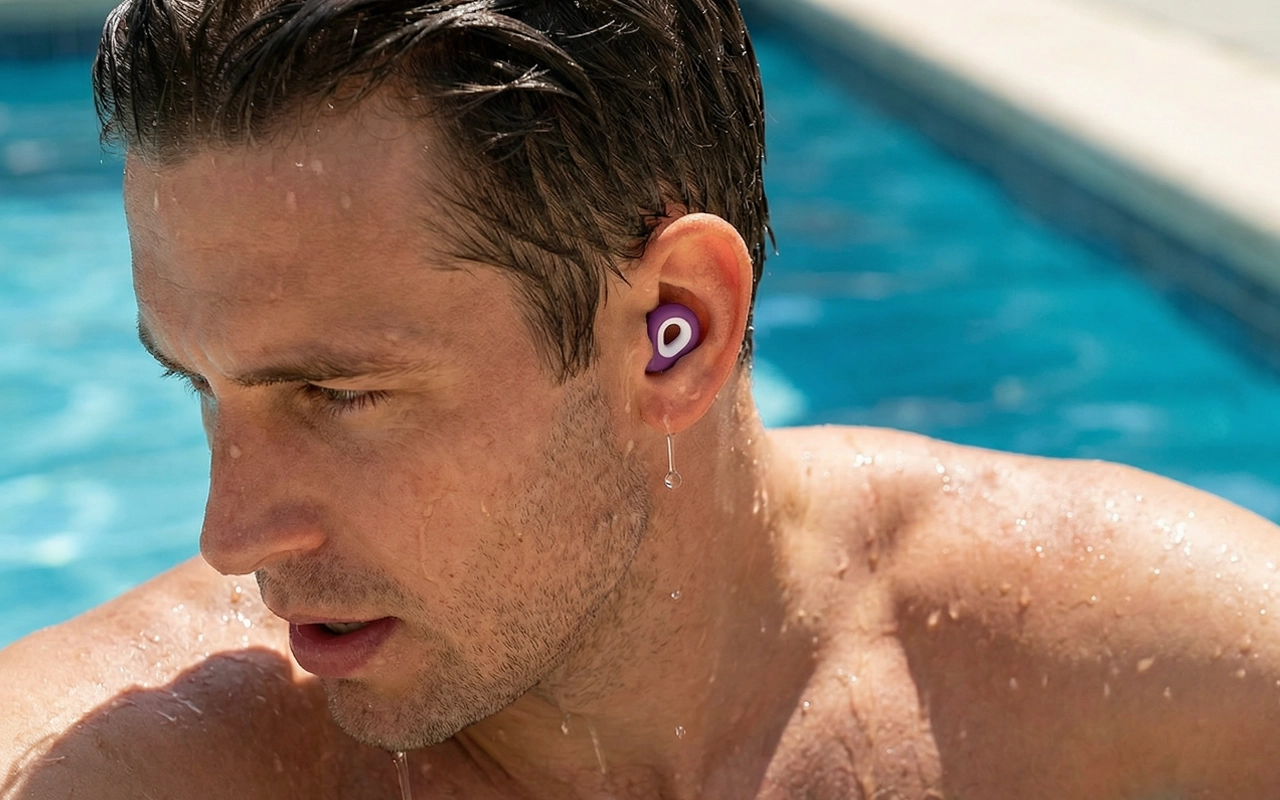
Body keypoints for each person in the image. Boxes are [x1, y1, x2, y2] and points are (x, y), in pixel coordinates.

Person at [3, 0, 1280, 797]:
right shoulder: (141, 763)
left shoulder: (1159, 700)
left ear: (674, 332)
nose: (231, 534)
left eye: (337, 393)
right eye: (201, 386)